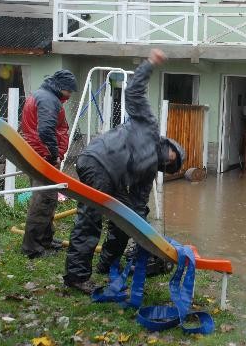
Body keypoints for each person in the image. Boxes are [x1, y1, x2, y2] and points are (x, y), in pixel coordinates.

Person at [63, 49, 184, 294]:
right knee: (90, 220)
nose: (171, 160)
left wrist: (147, 234)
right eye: (173, 154)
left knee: (125, 221)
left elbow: (138, 206)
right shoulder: (149, 125)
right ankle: (76, 277)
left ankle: (107, 265)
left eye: (172, 164)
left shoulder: (149, 172)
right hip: (97, 162)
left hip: (112, 179)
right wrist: (149, 64)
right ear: (168, 144)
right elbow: (134, 90)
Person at [20, 70, 78, 259]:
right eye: (69, 91)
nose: (70, 95)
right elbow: (45, 130)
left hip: (36, 153)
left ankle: (45, 239)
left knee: (49, 198)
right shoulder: (48, 100)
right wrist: (54, 154)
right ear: (61, 87)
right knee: (43, 200)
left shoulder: (42, 95)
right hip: (43, 156)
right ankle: (32, 248)